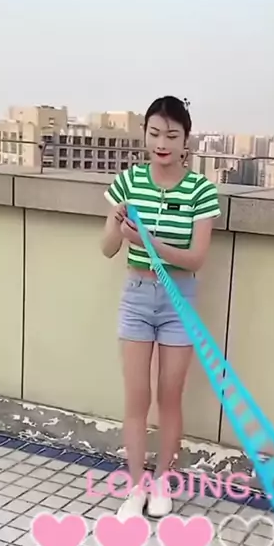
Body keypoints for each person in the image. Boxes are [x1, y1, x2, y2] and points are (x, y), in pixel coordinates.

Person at [100, 96, 221, 521]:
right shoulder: (129, 182)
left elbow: (196, 257)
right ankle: (135, 487)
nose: (162, 143)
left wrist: (148, 241)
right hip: (136, 296)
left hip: (178, 299)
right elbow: (107, 249)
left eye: (171, 135)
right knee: (137, 396)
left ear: (186, 140)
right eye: (154, 134)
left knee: (170, 396)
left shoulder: (200, 189)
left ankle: (163, 481)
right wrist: (117, 223)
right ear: (145, 135)